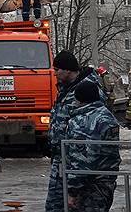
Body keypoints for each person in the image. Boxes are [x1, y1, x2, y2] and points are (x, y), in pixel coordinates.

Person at [46, 50, 104, 212]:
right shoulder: (65, 88)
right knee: (55, 206)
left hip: (78, 159)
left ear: (68, 70)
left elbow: (91, 127)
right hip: (61, 157)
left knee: (74, 205)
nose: (54, 73)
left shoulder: (87, 89)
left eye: (57, 69)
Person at [65, 81, 120, 212]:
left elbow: (82, 161)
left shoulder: (82, 122)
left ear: (79, 98)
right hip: (106, 183)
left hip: (88, 187)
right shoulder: (107, 116)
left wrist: (73, 191)